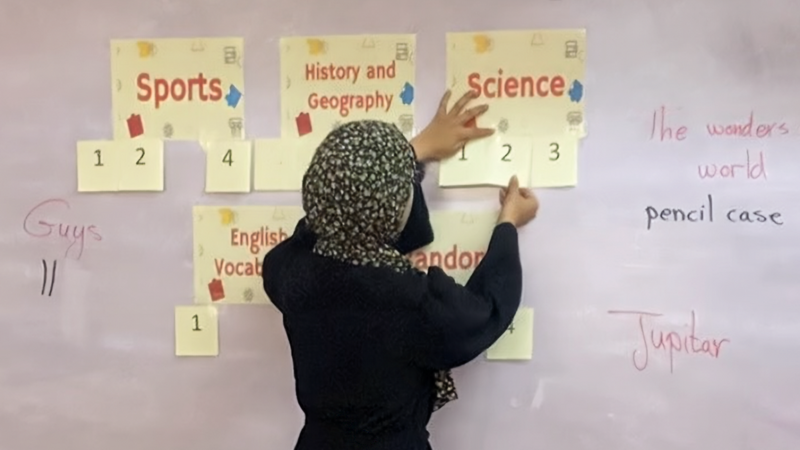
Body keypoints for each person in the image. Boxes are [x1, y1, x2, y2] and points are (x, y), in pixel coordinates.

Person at [262, 90, 540, 450]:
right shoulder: (414, 303)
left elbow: (330, 219)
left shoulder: (290, 273)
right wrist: (507, 225)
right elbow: (486, 311)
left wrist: (410, 152)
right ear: (394, 209)